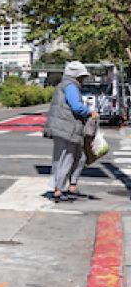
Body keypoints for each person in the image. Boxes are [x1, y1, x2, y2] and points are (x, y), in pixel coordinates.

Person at [43, 61, 99, 203]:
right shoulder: (70, 86)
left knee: (77, 158)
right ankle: (58, 190)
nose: (83, 79)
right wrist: (90, 111)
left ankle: (70, 186)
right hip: (66, 128)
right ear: (75, 76)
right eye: (81, 76)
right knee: (66, 159)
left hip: (65, 127)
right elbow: (76, 107)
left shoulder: (66, 85)